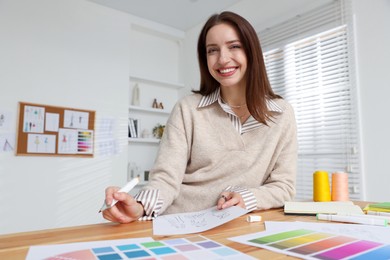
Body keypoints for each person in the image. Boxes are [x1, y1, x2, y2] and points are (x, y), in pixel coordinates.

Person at [102, 11, 297, 224]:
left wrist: (247, 198)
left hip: (238, 227)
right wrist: (139, 207)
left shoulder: (281, 113)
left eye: (234, 46)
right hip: (179, 223)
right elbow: (166, 179)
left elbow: (283, 186)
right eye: (212, 50)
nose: (222, 59)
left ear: (252, 51)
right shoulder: (188, 109)